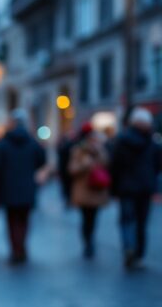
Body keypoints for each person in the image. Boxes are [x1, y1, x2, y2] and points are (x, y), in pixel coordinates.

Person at [0, 110, 46, 264]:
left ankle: (16, 249)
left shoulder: (3, 144)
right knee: (24, 220)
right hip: (27, 188)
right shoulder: (32, 142)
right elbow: (41, 159)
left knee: (12, 221)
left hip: (8, 189)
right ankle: (21, 247)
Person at [109, 107, 162, 269]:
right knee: (141, 221)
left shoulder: (121, 140)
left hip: (126, 187)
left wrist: (114, 187)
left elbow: (114, 165)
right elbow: (158, 166)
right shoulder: (152, 144)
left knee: (127, 220)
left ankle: (129, 247)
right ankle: (138, 254)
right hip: (145, 187)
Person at [68, 124, 110, 258]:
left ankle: (91, 241)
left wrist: (99, 153)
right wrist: (85, 164)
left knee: (93, 218)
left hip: (97, 189)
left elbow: (107, 163)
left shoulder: (100, 150)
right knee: (86, 218)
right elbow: (72, 169)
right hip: (84, 190)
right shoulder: (78, 151)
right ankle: (88, 243)